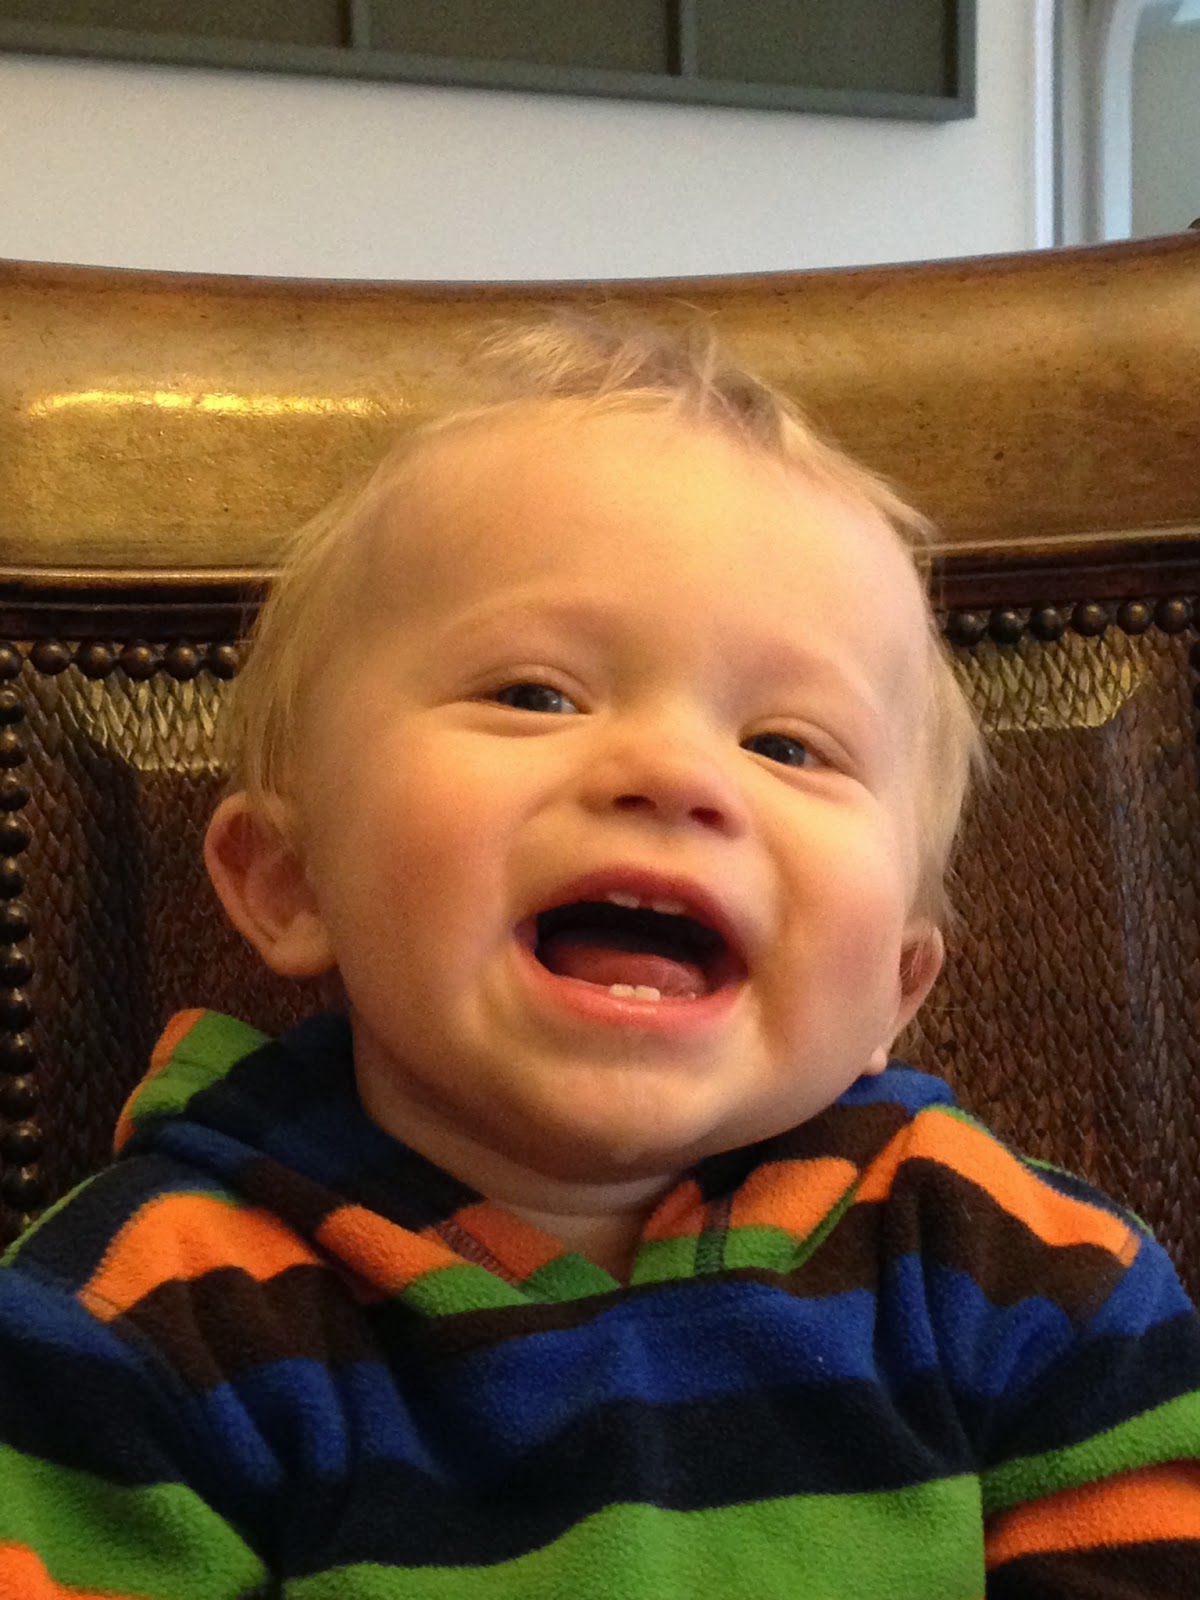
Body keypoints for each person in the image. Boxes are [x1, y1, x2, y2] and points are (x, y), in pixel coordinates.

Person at [2, 318, 1199, 1600]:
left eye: (788, 745)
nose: (674, 773)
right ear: (291, 880)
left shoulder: (1031, 1275)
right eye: (536, 694)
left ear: (892, 993)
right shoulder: (141, 1316)